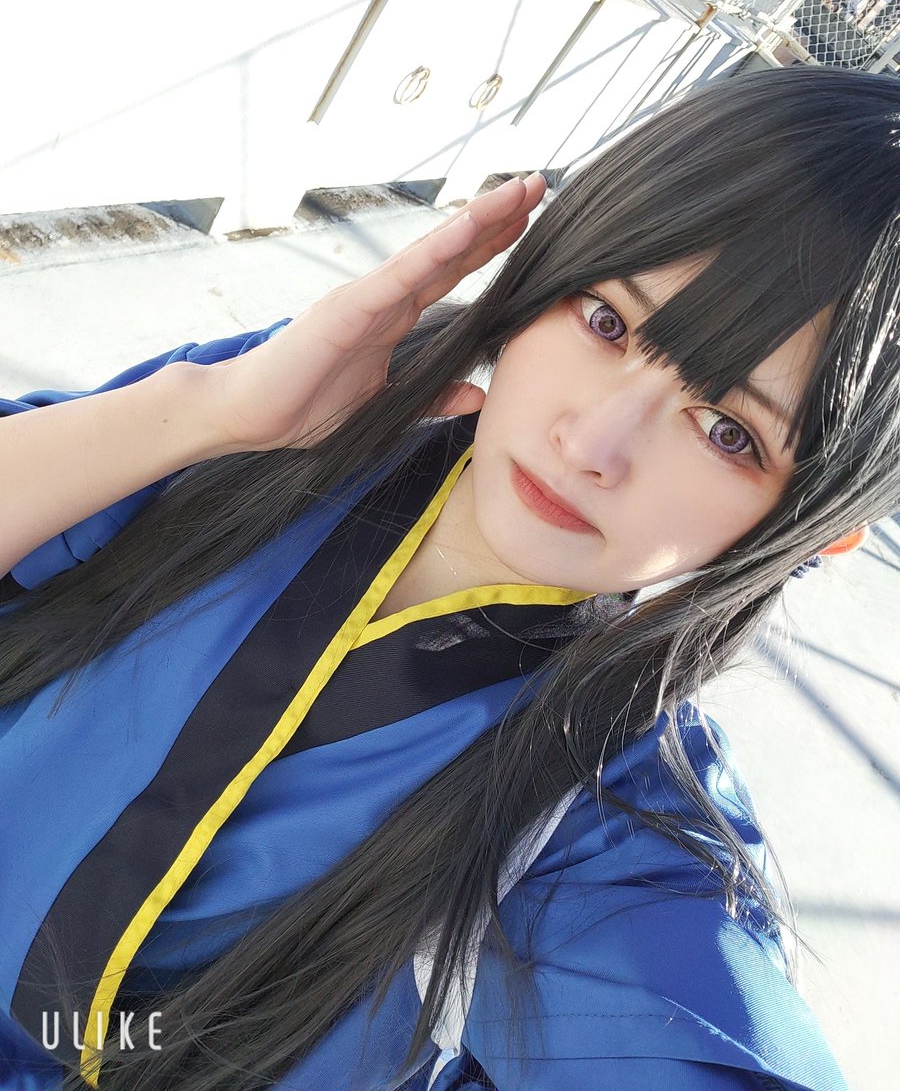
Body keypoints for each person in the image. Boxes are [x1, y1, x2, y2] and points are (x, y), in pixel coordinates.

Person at [0, 65, 897, 1091]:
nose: (591, 443)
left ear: (820, 529)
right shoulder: (289, 416)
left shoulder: (610, 825)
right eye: (607, 321)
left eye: (728, 430)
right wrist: (206, 414)